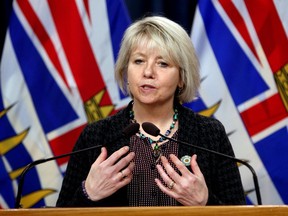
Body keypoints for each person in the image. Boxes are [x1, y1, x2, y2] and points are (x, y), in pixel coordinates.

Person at [56, 16, 246, 207]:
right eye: (138, 61)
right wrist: (87, 193)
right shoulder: (96, 136)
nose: (148, 72)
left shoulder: (209, 134)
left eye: (162, 63)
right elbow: (60, 212)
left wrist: (205, 203)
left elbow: (239, 212)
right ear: (126, 71)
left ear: (182, 78)